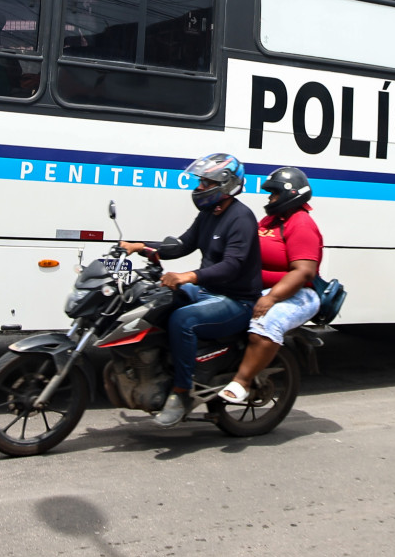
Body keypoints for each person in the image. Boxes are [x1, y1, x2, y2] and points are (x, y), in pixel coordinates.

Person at [123, 152, 262, 427]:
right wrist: (141, 247)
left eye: (205, 183)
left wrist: (189, 276)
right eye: (200, 182)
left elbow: (232, 266)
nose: (198, 188)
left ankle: (182, 392)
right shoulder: (208, 214)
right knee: (157, 302)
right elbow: (182, 245)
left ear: (224, 185)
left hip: (237, 301)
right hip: (208, 292)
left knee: (182, 320)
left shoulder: (242, 218)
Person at [218, 167, 323, 405]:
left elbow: (303, 271)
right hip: (259, 289)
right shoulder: (270, 221)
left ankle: (242, 382)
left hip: (297, 294)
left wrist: (272, 298)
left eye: (274, 194)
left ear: (291, 194)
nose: (269, 198)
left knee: (265, 321)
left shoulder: (301, 223)